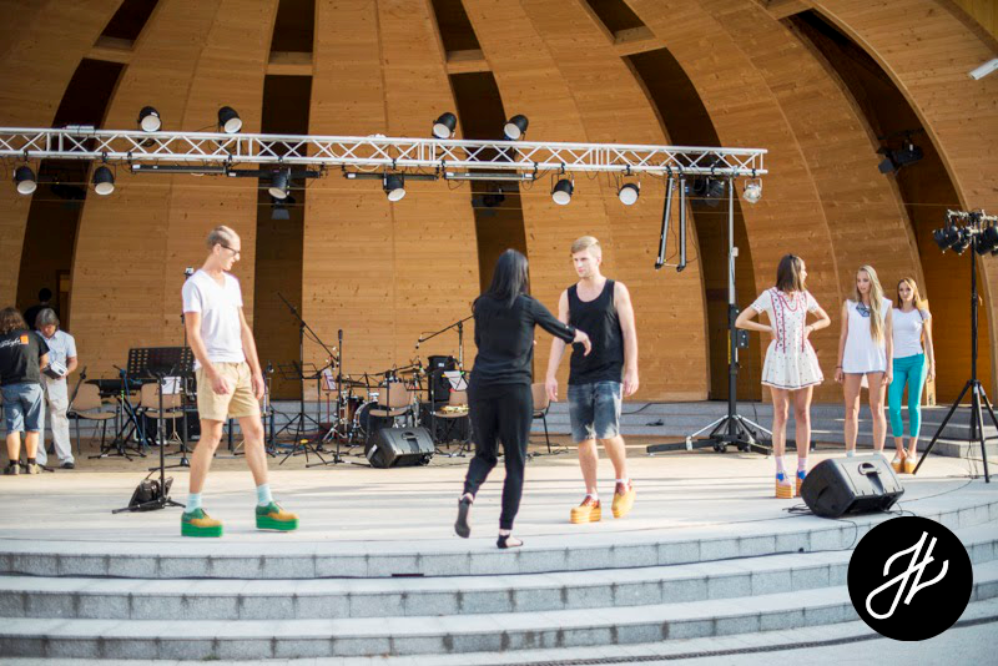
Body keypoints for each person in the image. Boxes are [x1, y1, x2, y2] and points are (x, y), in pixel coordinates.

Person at [454, 249, 591, 549]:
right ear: (521, 275)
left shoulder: (482, 305)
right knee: (515, 463)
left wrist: (522, 339)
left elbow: (481, 342)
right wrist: (580, 336)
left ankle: (468, 494)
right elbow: (560, 329)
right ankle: (505, 534)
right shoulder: (527, 305)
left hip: (481, 386)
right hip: (513, 388)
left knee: (484, 455)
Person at [181, 225, 298, 537]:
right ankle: (192, 510)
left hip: (240, 367)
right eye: (234, 251)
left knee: (255, 431)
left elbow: (243, 328)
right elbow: (193, 335)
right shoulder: (195, 285)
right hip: (214, 365)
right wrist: (212, 372)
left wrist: (256, 370)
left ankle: (266, 505)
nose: (237, 257)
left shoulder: (232, 284)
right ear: (217, 248)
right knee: (212, 436)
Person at [545, 236, 639, 523]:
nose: (579, 265)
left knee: (607, 431)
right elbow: (560, 337)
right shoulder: (568, 295)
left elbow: (629, 331)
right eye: (575, 260)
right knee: (583, 438)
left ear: (598, 259)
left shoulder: (615, 290)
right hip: (579, 374)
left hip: (609, 371)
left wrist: (631, 369)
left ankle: (623, 482)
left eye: (584, 259)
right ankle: (592, 496)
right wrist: (550, 374)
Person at [735, 255, 831, 498]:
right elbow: (740, 320)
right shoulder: (770, 296)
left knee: (803, 412)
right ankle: (780, 472)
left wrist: (810, 327)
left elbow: (825, 318)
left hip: (801, 356)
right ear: (793, 272)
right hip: (779, 357)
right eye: (803, 270)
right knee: (781, 412)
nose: (806, 273)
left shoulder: (805, 296)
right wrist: (769, 328)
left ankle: (802, 471)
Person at [836, 265, 893, 459]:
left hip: (876, 361)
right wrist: (839, 364)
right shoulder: (849, 305)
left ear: (872, 282)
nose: (862, 284)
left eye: (865, 280)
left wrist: (889, 367)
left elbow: (888, 338)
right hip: (852, 361)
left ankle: (878, 454)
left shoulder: (885, 305)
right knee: (851, 409)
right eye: (859, 280)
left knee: (877, 408)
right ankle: (850, 454)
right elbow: (843, 335)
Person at [889, 277, 935, 474]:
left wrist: (932, 365)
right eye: (901, 290)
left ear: (914, 291)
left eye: (908, 289)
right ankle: (900, 451)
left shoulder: (922, 313)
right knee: (893, 407)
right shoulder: (892, 313)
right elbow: (888, 340)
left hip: (917, 361)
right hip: (896, 363)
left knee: (913, 406)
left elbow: (928, 341)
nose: (904, 293)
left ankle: (912, 450)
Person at [0, 307, 49, 475]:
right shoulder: (34, 336)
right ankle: (31, 464)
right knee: (33, 427)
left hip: (9, 387)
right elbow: (45, 360)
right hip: (31, 385)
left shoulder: (1, 340)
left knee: (13, 427)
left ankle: (14, 465)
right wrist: (34, 372)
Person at [33, 309, 78, 469]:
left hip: (58, 382)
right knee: (36, 419)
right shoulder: (34, 337)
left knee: (59, 418)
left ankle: (66, 458)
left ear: (55, 324)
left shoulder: (67, 339)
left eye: (49, 326)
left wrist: (66, 372)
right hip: (38, 380)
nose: (46, 329)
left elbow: (73, 361)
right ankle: (38, 459)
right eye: (43, 326)